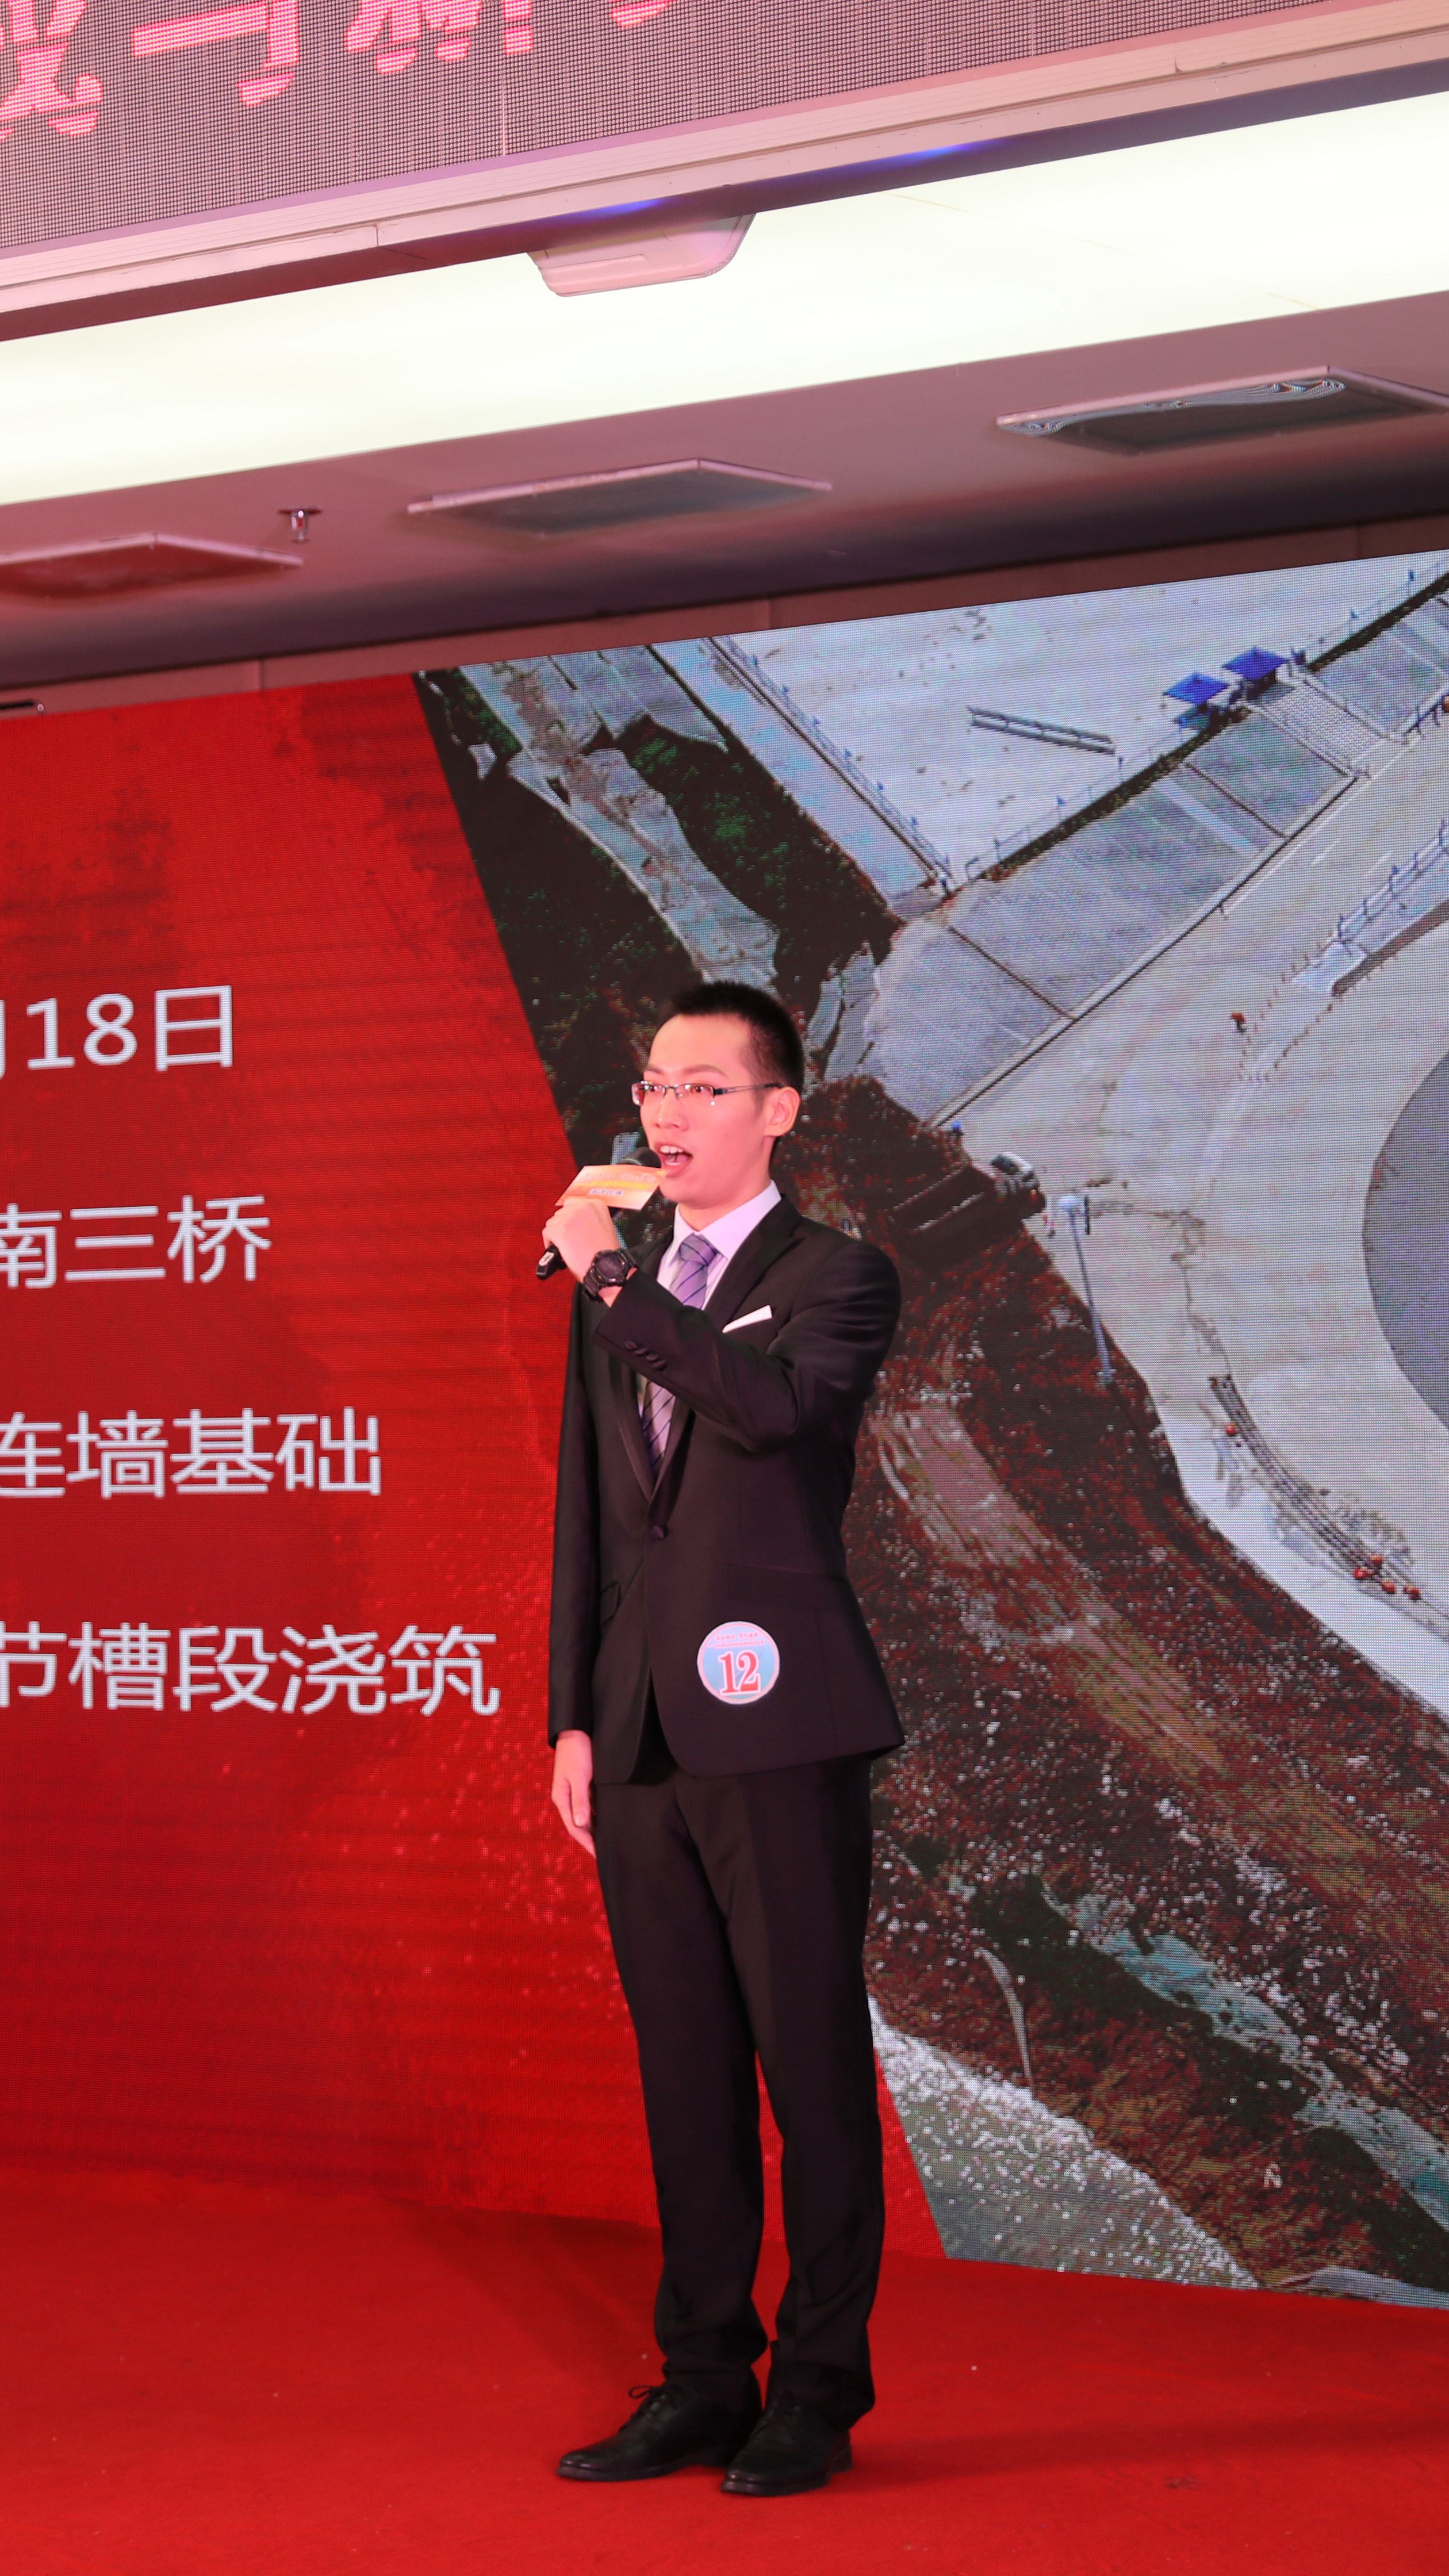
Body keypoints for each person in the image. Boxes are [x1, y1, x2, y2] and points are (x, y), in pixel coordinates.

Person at [534, 980, 906, 2502]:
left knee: (806, 2061)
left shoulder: (836, 1275)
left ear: (778, 1111)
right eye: (652, 1087)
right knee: (683, 2065)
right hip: (637, 1729)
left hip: (780, 1720)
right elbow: (589, 1511)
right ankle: (701, 2376)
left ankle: (815, 2390)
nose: (665, 1113)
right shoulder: (615, 1287)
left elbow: (766, 1412)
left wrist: (619, 1284)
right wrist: (571, 1710)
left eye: (701, 1087)